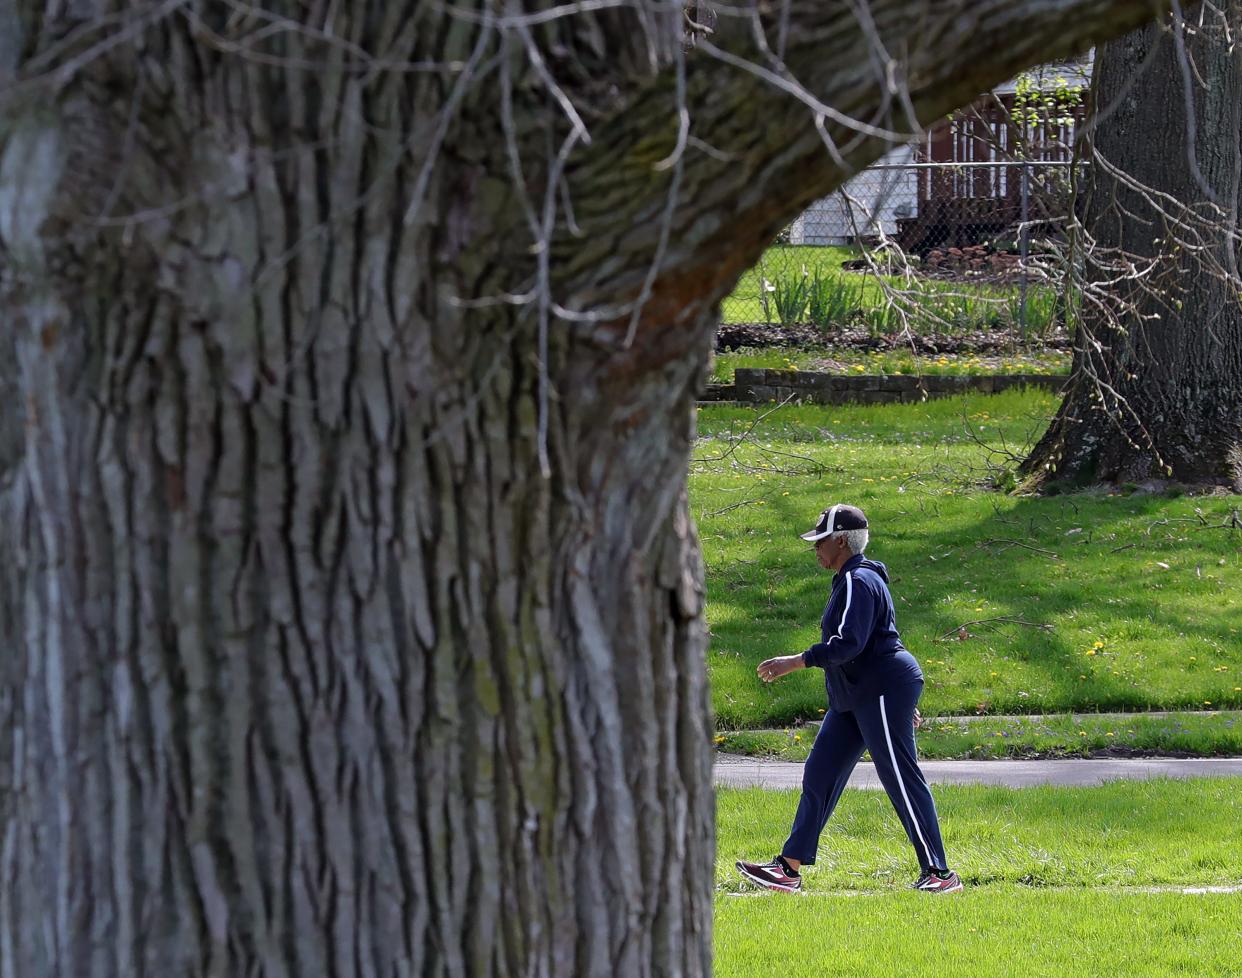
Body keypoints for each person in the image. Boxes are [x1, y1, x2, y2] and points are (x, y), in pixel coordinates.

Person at [736, 504, 963, 894]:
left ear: (841, 540)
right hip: (858, 693)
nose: (816, 549)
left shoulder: (859, 579)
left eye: (820, 541)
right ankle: (787, 869)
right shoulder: (851, 579)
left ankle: (940, 874)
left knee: (900, 778)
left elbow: (849, 644)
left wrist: (796, 661)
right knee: (820, 773)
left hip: (877, 689)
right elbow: (878, 638)